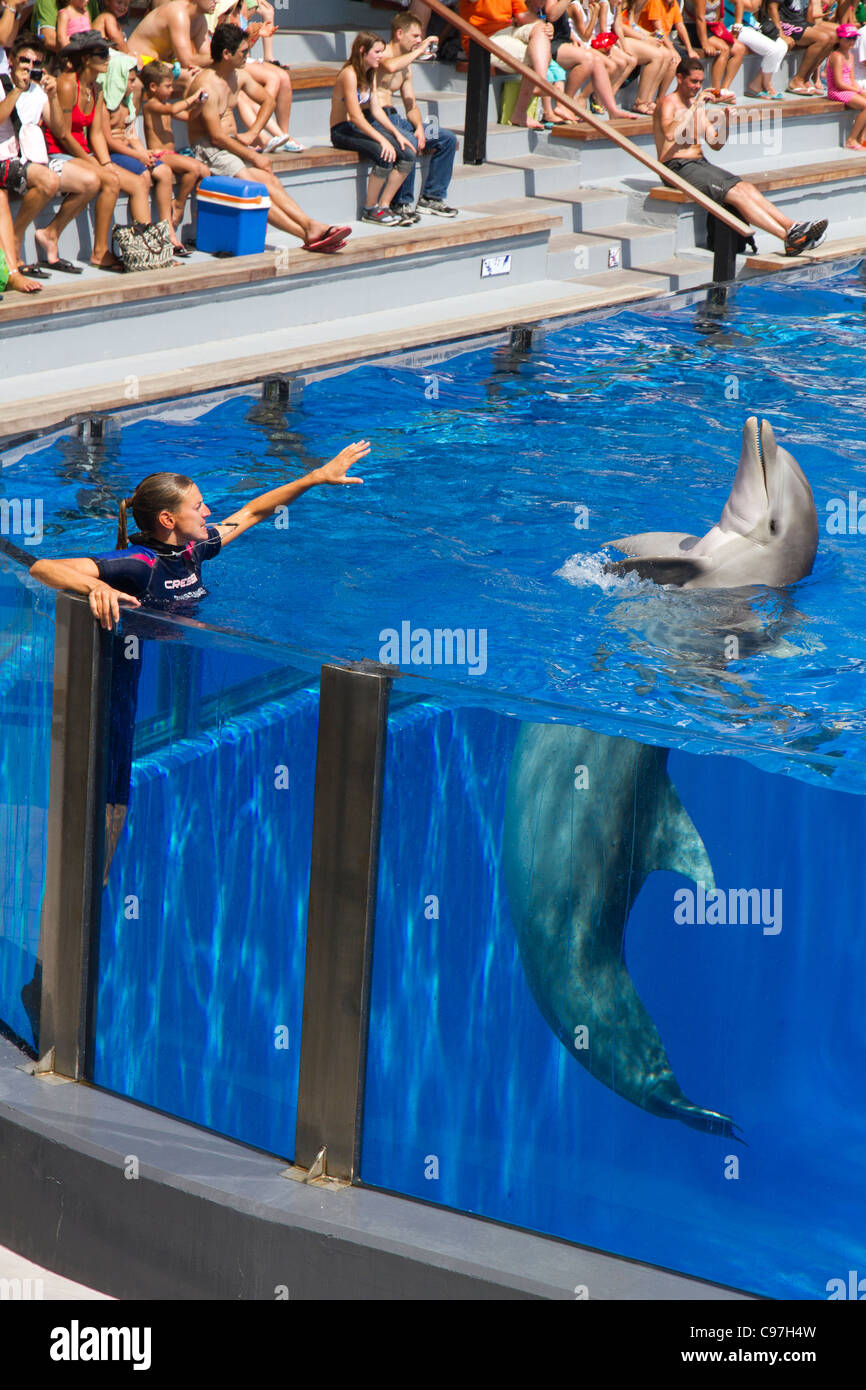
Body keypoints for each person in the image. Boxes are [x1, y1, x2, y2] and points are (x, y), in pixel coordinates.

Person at [187, 23, 351, 251]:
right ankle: (308, 230)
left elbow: (268, 100)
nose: (248, 56)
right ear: (227, 54)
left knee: (270, 182)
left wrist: (253, 133)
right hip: (209, 149)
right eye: (243, 52)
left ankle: (310, 230)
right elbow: (215, 137)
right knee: (256, 188)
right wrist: (254, 157)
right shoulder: (207, 84)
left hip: (231, 147)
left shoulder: (238, 76)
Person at [654, 55, 828, 252]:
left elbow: (715, 143)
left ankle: (791, 226)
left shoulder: (696, 105)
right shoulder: (668, 102)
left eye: (700, 82)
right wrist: (696, 105)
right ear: (679, 78)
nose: (697, 87)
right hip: (676, 167)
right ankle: (788, 238)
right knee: (736, 193)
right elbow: (670, 135)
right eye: (693, 81)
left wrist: (726, 121)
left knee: (745, 187)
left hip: (699, 163)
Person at [43, 32, 124, 268]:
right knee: (108, 181)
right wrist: (91, 162)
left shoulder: (95, 87)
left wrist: (105, 163)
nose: (108, 58)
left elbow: (97, 133)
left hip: (79, 153)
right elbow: (63, 135)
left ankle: (141, 244)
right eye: (102, 53)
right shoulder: (68, 83)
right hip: (57, 153)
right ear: (86, 59)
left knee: (135, 181)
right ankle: (99, 252)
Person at [100, 50, 188, 253]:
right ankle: (144, 239)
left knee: (164, 171)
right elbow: (108, 140)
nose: (134, 85)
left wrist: (144, 153)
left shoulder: (128, 103)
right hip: (114, 154)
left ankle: (168, 233)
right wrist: (137, 155)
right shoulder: (105, 104)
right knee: (145, 176)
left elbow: (132, 135)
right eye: (130, 81)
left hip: (130, 152)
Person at [330, 30, 416, 226]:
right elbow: (356, 117)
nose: (381, 56)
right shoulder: (349, 74)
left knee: (408, 153)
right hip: (342, 130)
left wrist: (396, 134)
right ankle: (369, 210)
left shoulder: (371, 73)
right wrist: (382, 139)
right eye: (377, 52)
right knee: (384, 154)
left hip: (358, 127)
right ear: (363, 50)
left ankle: (384, 205)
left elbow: (376, 110)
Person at [379, 10, 459, 218]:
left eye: (420, 37)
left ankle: (431, 198)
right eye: (415, 36)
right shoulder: (380, 54)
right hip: (379, 120)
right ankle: (401, 203)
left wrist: (421, 129)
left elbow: (411, 105)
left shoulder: (406, 69)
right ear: (399, 34)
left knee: (446, 139)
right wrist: (420, 50)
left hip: (397, 118)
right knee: (409, 142)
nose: (419, 40)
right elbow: (388, 67)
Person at [0, 33, 61, 274]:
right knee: (49, 180)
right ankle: (15, 239)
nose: (30, 68)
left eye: (37, 63)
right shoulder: (3, 83)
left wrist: (54, 98)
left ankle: (21, 235)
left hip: (27, 159)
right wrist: (16, 90)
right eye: (25, 61)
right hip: (4, 158)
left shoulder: (39, 91)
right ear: (12, 60)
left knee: (90, 180)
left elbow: (58, 129)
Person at [457, 0, 556, 129]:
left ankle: (541, 82)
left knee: (541, 31)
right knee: (538, 55)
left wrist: (546, 26)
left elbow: (523, 16)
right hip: (482, 39)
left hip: (508, 31)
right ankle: (523, 109)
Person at [140, 60, 209, 227]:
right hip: (159, 154)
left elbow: (188, 117)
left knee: (205, 171)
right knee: (194, 168)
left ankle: (200, 217)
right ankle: (178, 204)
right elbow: (173, 110)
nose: (172, 90)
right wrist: (192, 98)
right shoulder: (151, 105)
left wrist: (200, 104)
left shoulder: (163, 104)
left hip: (171, 155)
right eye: (168, 86)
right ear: (153, 87)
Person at [616, 0, 679, 113]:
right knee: (657, 56)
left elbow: (632, 25)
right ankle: (640, 102)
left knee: (667, 55)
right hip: (618, 38)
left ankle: (648, 101)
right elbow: (619, 26)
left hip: (629, 36)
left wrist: (648, 34)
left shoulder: (634, 4)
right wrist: (644, 39)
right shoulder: (621, 3)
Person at [765, 0, 836, 93]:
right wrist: (780, 33)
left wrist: (811, 29)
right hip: (782, 22)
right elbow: (771, 8)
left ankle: (805, 79)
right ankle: (797, 80)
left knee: (833, 36)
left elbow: (808, 12)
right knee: (822, 38)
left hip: (800, 22)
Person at [128, 0, 218, 70]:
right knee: (191, 78)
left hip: (160, 66)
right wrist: (220, 56)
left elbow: (207, 56)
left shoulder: (200, 20)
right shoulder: (178, 12)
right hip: (137, 61)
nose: (217, 1)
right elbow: (187, 62)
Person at [681, 0, 747, 91]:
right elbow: (700, 18)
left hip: (711, 27)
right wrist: (705, 43)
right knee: (724, 49)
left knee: (740, 49)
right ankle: (715, 91)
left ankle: (725, 89)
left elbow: (736, 4)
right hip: (693, 28)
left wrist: (734, 27)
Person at [730, 0, 788, 98]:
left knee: (782, 46)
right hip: (735, 28)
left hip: (751, 25)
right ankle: (767, 85)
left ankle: (756, 84)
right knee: (772, 50)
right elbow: (752, 6)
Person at [827, 21, 866, 144]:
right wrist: (858, 91)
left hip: (847, 89)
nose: (852, 42)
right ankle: (851, 139)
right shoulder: (836, 56)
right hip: (837, 91)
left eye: (854, 38)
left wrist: (860, 91)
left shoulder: (850, 56)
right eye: (848, 39)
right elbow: (839, 83)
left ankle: (861, 138)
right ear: (839, 39)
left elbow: (851, 79)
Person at [33, 0, 100, 52]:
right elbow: (50, 40)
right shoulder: (64, 13)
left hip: (88, 53)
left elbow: (93, 32)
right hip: (68, 55)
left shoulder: (86, 11)